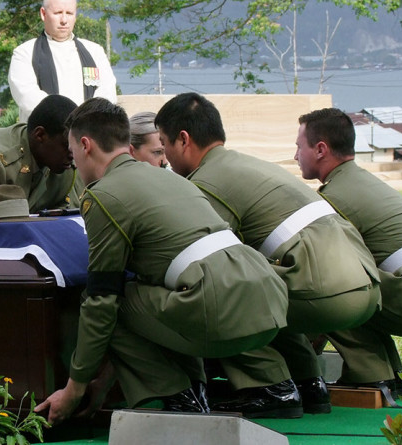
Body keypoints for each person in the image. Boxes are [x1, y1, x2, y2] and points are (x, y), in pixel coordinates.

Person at [34, 98, 289, 425]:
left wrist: (75, 388)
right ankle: (195, 393)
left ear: (85, 145)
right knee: (159, 292)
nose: (74, 165)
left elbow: (102, 302)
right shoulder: (170, 178)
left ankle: (179, 398)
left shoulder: (104, 194)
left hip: (220, 308)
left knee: (109, 303)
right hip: (268, 301)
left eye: (72, 153)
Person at [154, 93, 382, 418]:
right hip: (364, 285)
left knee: (224, 290)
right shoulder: (245, 164)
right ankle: (307, 381)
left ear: (183, 140)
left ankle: (269, 387)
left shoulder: (205, 182)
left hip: (328, 291)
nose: (165, 160)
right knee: (264, 284)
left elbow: (205, 260)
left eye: (164, 146)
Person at [295, 108, 402, 398]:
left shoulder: (333, 198)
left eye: (299, 147)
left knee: (329, 293)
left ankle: (372, 377)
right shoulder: (359, 180)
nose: (295, 155)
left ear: (321, 149)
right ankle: (387, 374)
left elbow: (320, 272)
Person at [8, 0, 117, 122]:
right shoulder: (24, 53)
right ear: (43, 14)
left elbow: (107, 92)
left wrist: (85, 121)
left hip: (89, 129)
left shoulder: (94, 51)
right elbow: (27, 97)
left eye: (69, 13)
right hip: (45, 133)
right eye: (58, 13)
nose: (64, 20)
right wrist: (68, 120)